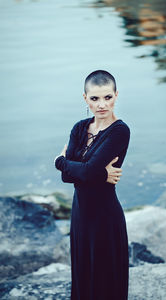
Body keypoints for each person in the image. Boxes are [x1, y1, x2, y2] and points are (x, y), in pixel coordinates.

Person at [54, 70, 130, 300]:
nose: (102, 105)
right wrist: (91, 172)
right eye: (95, 98)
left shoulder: (120, 131)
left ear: (116, 95)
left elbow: (85, 171)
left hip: (105, 216)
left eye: (107, 97)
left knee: (106, 280)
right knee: (82, 276)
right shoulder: (79, 128)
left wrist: (60, 161)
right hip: (80, 214)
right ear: (85, 98)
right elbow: (69, 177)